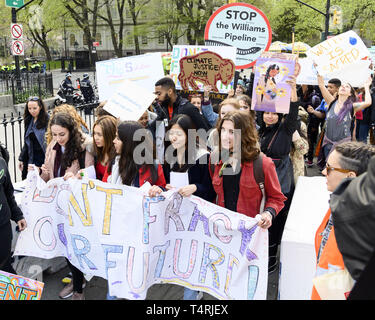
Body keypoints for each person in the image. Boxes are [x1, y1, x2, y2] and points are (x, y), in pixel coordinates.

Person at [29, 112, 94, 300]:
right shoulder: (53, 146)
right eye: (54, 134)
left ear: (71, 131)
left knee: (76, 248)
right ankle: (76, 280)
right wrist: (40, 173)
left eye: (62, 134)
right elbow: (48, 174)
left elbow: (91, 175)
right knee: (66, 247)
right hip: (57, 205)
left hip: (77, 206)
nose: (58, 139)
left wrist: (77, 176)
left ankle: (79, 288)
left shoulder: (84, 147)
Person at [311, 141, 375, 300]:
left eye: (330, 168)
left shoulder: (360, 229)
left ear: (350, 177)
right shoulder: (338, 208)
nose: (324, 172)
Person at [162, 114, 216, 300]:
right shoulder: (169, 156)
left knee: (193, 257)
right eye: (172, 133)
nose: (174, 137)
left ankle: (191, 294)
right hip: (177, 216)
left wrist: (195, 187)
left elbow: (211, 190)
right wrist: (167, 188)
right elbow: (165, 183)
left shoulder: (203, 157)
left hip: (198, 218)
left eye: (179, 133)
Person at [209, 110, 286, 227]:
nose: (225, 136)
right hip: (221, 230)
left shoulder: (263, 164)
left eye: (231, 132)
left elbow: (276, 198)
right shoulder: (214, 159)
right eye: (223, 130)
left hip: (250, 232)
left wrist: (268, 213)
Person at [258, 74, 299, 272]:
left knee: (275, 221)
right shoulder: (259, 131)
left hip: (280, 182)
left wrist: (293, 90)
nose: (270, 116)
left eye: (274, 113)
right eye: (266, 113)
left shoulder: (285, 130)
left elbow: (292, 116)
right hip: (260, 182)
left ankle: (271, 259)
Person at [317, 73, 373, 164]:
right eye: (342, 86)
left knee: (341, 173)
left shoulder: (352, 107)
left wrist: (366, 86)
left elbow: (368, 102)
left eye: (347, 86)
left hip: (344, 147)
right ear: (338, 91)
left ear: (350, 93)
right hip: (328, 145)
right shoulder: (331, 102)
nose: (343, 87)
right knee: (328, 171)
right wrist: (319, 70)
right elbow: (321, 85)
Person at [104, 120, 166, 191]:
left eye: (118, 138)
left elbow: (163, 193)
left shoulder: (152, 166)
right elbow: (103, 189)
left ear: (129, 143)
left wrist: (159, 190)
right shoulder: (114, 162)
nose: (114, 141)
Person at [0, 151, 27, 274]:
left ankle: (15, 292)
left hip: (3, 226)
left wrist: (17, 215)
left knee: (5, 266)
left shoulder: (1, 162)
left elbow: (8, 193)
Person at [306, 78, 341, 168]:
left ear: (338, 88)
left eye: (331, 87)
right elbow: (322, 115)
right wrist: (313, 111)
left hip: (339, 134)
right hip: (326, 131)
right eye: (327, 87)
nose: (328, 89)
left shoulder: (343, 101)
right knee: (326, 152)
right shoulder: (324, 100)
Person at [18, 97, 49, 180]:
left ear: (40, 107)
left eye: (34, 108)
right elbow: (26, 142)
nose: (32, 111)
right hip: (30, 157)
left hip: (43, 156)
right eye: (29, 108)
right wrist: (21, 158)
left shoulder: (47, 119)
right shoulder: (28, 120)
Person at [92, 116, 118, 181]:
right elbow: (88, 174)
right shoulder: (95, 152)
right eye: (94, 133)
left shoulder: (117, 158)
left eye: (99, 135)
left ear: (109, 135)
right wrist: (81, 174)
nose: (95, 138)